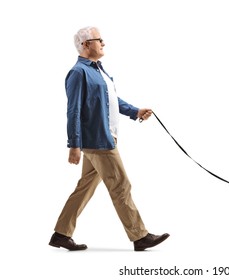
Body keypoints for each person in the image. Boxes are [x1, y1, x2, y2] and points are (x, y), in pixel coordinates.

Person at [49, 26, 169, 251]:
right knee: (121, 185)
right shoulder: (78, 72)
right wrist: (73, 144)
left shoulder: (99, 70)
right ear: (86, 45)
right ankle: (140, 236)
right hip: (99, 141)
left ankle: (61, 234)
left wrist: (135, 111)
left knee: (85, 187)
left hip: (105, 137)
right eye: (99, 40)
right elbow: (73, 111)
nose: (103, 43)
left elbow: (111, 99)